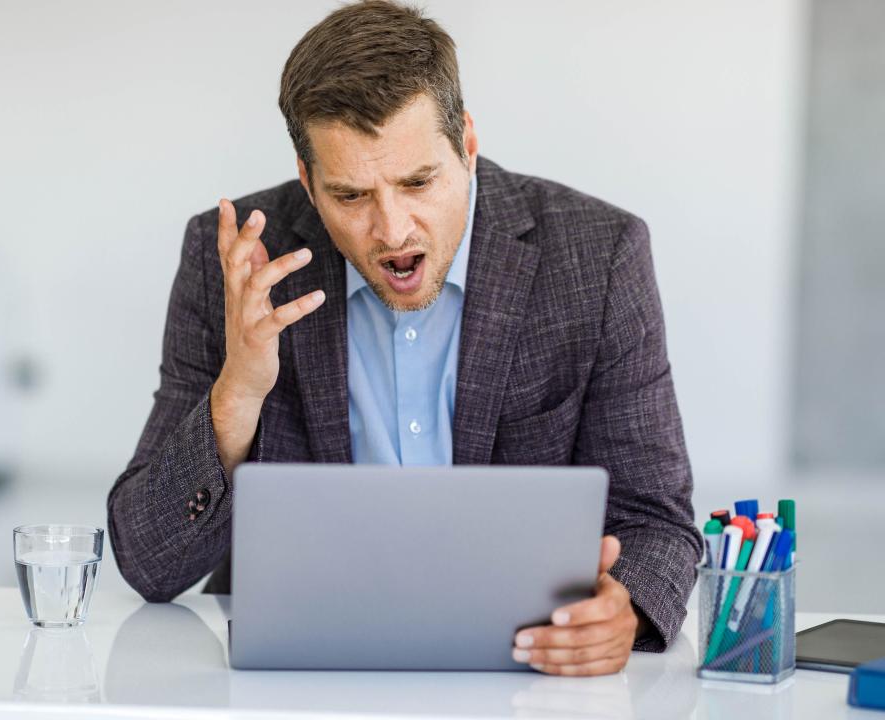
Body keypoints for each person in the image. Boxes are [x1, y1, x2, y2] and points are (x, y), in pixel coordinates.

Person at [107, 0, 702, 677]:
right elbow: (148, 564)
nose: (392, 231)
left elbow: (657, 522)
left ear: (468, 145)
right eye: (351, 196)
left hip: (522, 674)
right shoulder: (241, 260)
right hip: (300, 677)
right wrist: (237, 392)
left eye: (418, 182)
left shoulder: (598, 256)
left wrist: (623, 608)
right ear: (309, 181)